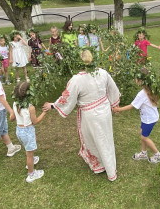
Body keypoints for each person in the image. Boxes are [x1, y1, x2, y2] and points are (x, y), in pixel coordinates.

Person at [43, 50, 120, 181]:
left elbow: (67, 97)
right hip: (104, 110)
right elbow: (112, 88)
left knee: (95, 139)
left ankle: (105, 166)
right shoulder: (102, 72)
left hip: (91, 115)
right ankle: (107, 165)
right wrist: (113, 104)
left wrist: (52, 105)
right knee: (105, 137)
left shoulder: (77, 80)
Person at [113, 68, 160, 163]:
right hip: (149, 118)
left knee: (144, 137)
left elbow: (131, 106)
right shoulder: (153, 88)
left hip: (149, 120)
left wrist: (118, 109)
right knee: (142, 133)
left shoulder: (141, 94)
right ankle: (143, 153)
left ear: (139, 80)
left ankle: (157, 155)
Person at [13, 81, 47, 183]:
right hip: (27, 131)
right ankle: (31, 174)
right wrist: (44, 112)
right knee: (29, 154)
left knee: (30, 147)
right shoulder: (30, 107)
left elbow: (13, 116)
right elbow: (35, 121)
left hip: (19, 130)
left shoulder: (15, 103)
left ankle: (31, 160)